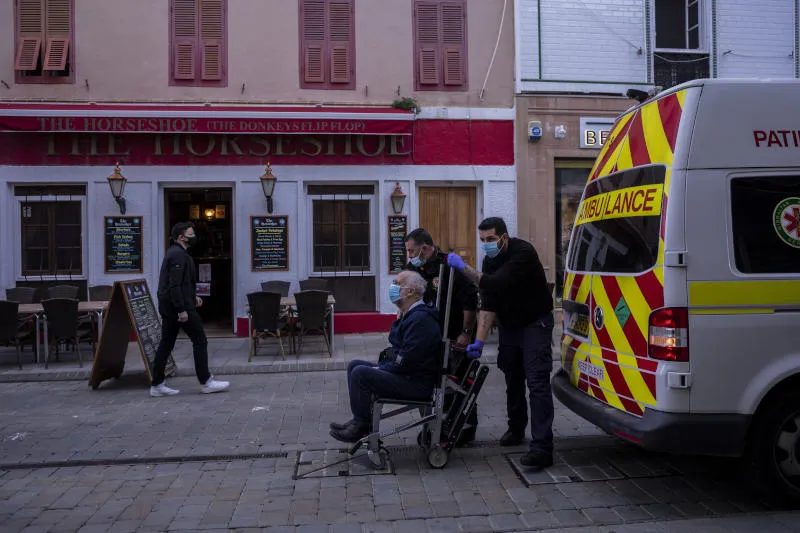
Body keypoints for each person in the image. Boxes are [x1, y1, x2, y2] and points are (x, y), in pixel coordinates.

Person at [446, 216, 555, 469]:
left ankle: (542, 448)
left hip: (535, 322)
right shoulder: (489, 261)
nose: (486, 244)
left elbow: (494, 282)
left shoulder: (523, 253)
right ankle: (516, 428)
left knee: (537, 381)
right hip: (510, 325)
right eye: (482, 240)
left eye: (491, 239)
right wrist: (479, 341)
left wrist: (463, 268)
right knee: (511, 376)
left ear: (504, 237)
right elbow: (489, 302)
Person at [329, 270, 441, 443]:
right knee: (354, 365)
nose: (392, 287)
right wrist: (401, 315)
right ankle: (359, 420)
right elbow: (397, 344)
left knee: (360, 373)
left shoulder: (421, 318)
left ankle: (361, 427)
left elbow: (406, 360)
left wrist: (381, 368)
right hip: (408, 374)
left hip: (416, 383)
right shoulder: (411, 314)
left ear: (410, 291)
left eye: (397, 284)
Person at [403, 228, 479, 445]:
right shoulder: (414, 268)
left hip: (455, 333)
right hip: (431, 336)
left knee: (459, 382)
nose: (409, 255)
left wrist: (466, 333)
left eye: (411, 251)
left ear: (425, 248)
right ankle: (437, 426)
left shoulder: (450, 265)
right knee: (435, 383)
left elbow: (470, 301)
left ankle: (465, 428)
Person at [150, 222, 230, 397]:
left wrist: (193, 296)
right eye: (191, 234)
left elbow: (182, 282)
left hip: (174, 305)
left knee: (166, 343)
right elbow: (174, 285)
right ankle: (206, 381)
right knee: (199, 340)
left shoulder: (177, 253)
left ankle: (157, 384)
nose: (194, 237)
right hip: (177, 307)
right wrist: (181, 309)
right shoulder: (177, 255)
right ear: (181, 237)